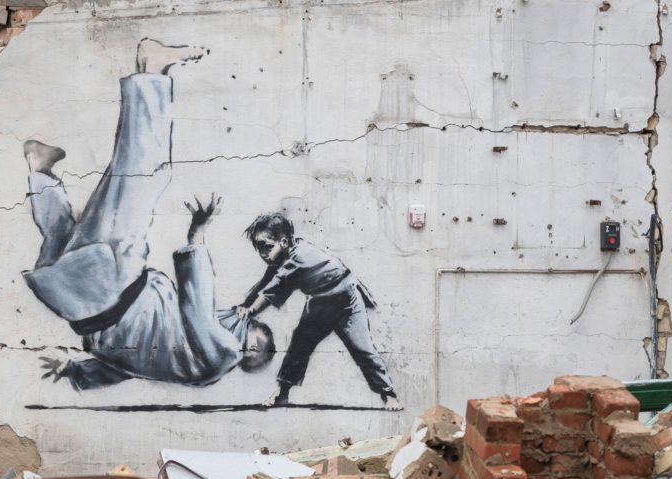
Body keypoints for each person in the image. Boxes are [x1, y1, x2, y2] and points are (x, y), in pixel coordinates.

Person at [26, 39, 274, 390]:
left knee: (144, 174)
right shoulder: (184, 363)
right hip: (72, 303)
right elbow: (125, 366)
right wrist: (74, 372)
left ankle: (152, 70)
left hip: (115, 284)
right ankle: (39, 170)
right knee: (64, 237)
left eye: (248, 326)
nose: (239, 314)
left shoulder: (224, 354)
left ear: (248, 350)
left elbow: (198, 310)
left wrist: (196, 237)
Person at [236, 213, 403, 411]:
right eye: (259, 248)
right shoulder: (287, 253)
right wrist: (246, 304)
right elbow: (265, 283)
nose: (263, 253)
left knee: (363, 348)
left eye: (267, 247)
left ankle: (388, 393)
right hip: (320, 303)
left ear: (284, 241)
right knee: (299, 346)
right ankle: (282, 392)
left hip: (347, 301)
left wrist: (251, 309)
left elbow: (273, 289)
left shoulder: (296, 259)